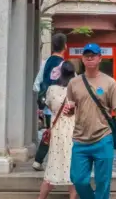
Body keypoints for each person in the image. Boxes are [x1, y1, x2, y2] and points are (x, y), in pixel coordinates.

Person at [64, 43, 116, 199]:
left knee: (103, 183)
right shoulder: (74, 83)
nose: (90, 58)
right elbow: (73, 106)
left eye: (93, 55)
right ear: (82, 59)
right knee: (78, 179)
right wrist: (70, 110)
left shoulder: (109, 82)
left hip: (103, 138)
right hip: (80, 140)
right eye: (87, 55)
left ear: (100, 58)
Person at [37, 60, 78, 199]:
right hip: (73, 129)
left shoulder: (51, 90)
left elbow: (48, 104)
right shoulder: (76, 90)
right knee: (73, 164)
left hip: (57, 128)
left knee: (54, 162)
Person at [33, 32, 68, 171]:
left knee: (50, 131)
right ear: (65, 46)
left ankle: (38, 160)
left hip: (48, 106)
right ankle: (59, 163)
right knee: (62, 133)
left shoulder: (45, 63)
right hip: (63, 106)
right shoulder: (66, 65)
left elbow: (36, 84)